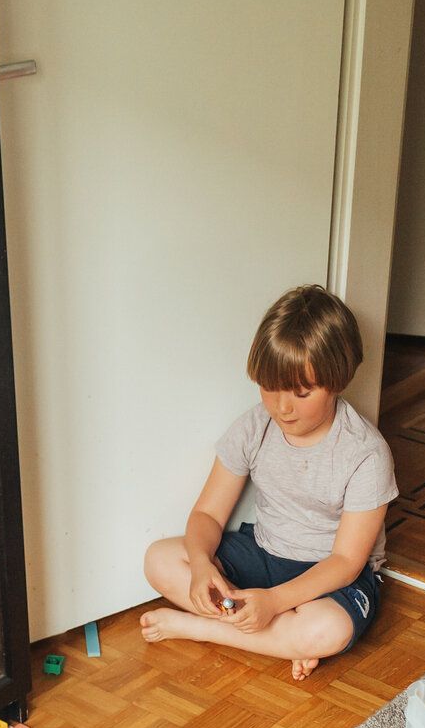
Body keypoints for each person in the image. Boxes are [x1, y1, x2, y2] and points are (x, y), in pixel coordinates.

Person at [140, 285, 397, 680]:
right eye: (269, 387)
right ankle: (281, 641)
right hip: (264, 552)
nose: (282, 407)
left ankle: (203, 629)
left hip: (328, 574)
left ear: (338, 381)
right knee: (160, 559)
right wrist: (201, 564)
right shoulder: (255, 426)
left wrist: (276, 601)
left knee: (327, 629)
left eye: (301, 392)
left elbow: (346, 562)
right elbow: (208, 512)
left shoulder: (366, 453)